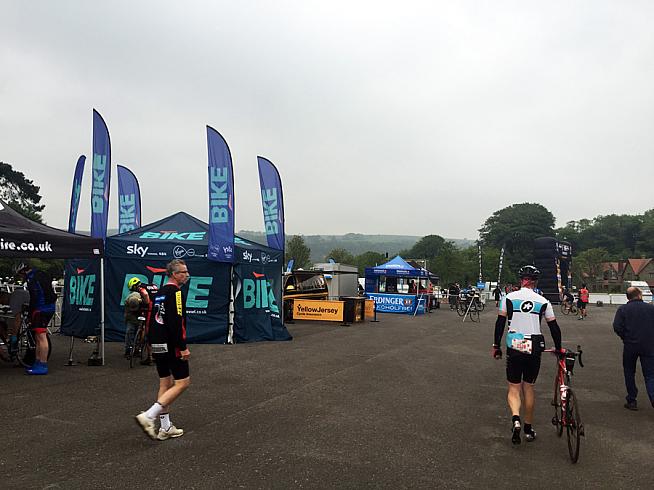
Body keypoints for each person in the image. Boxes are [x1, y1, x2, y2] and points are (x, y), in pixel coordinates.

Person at [492, 265, 563, 445]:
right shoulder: (543, 301)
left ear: (521, 280)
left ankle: (516, 418)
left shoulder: (508, 298)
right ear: (535, 282)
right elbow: (554, 327)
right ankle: (528, 428)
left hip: (515, 342)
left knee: (514, 387)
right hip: (535, 343)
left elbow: (500, 324)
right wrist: (558, 348)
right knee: (529, 387)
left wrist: (496, 346)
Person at [135, 259, 191, 441]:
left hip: (158, 343)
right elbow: (177, 322)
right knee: (183, 383)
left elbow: (152, 318)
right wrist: (182, 347)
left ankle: (165, 427)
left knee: (165, 384)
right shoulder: (176, 292)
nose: (187, 275)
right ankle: (149, 415)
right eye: (183, 272)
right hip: (171, 345)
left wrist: (151, 341)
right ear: (174, 274)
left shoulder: (159, 292)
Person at [612, 287, 654, 410]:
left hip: (630, 345)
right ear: (640, 295)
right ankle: (653, 397)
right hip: (649, 345)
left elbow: (617, 326)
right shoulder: (651, 309)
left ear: (627, 297)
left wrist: (625, 337)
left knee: (629, 371)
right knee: (650, 375)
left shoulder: (623, 309)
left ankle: (632, 399)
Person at [15, 262, 57, 375]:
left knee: (41, 336)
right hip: (48, 307)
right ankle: (38, 361)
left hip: (41, 309)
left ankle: (42, 364)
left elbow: (34, 298)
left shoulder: (32, 279)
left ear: (23, 271)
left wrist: (30, 314)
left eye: (20, 274)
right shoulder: (40, 274)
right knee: (38, 336)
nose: (21, 277)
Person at [124, 277, 154, 365]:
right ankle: (130, 350)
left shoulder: (143, 291)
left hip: (141, 316)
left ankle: (136, 349)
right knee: (131, 331)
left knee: (140, 333)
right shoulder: (134, 295)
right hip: (133, 317)